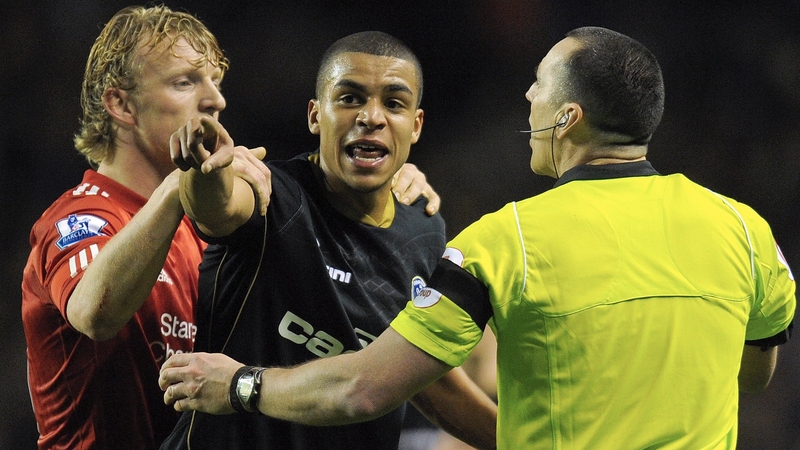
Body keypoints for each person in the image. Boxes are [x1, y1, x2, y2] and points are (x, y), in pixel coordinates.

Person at [160, 26, 796, 449]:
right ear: (315, 113)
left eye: (540, 84)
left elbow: (370, 386)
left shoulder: (505, 239)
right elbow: (751, 372)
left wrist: (242, 384)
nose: (527, 96)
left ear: (568, 116)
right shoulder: (744, 229)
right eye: (351, 97)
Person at [21, 7, 437, 450]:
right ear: (121, 104)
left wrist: (379, 191)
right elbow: (94, 315)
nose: (215, 101)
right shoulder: (80, 219)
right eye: (185, 82)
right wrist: (174, 189)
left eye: (215, 82)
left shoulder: (211, 226)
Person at [157, 31, 498, 450]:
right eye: (350, 98)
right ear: (316, 116)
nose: (372, 117)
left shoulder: (424, 231)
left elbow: (427, 379)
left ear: (416, 126)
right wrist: (203, 167)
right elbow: (218, 206)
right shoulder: (273, 197)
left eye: (393, 103)